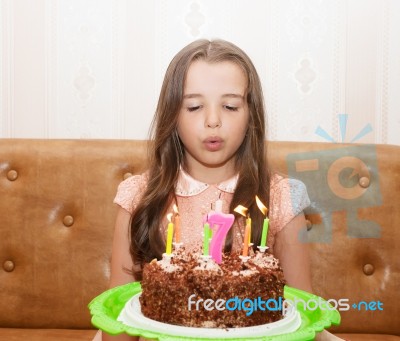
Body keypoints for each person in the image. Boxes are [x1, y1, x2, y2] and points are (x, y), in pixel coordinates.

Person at [95, 39, 345, 341]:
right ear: (173, 115)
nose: (213, 120)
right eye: (194, 106)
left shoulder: (281, 198)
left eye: (229, 106)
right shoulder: (139, 198)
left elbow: (302, 319)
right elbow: (119, 323)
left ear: (251, 113)